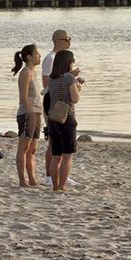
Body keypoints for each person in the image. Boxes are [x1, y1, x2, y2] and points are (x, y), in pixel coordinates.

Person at [45, 49, 83, 192]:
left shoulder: (52, 79)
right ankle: (62, 186)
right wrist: (78, 88)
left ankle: (55, 186)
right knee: (67, 157)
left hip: (53, 118)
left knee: (56, 156)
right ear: (69, 63)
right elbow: (75, 98)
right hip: (67, 117)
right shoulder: (69, 78)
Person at [13, 44, 42, 188]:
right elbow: (23, 96)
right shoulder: (25, 72)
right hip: (27, 113)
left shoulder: (34, 72)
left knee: (32, 149)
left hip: (37, 112)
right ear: (29, 57)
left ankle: (32, 179)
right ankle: (22, 180)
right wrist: (30, 113)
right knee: (24, 147)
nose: (40, 56)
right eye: (37, 54)